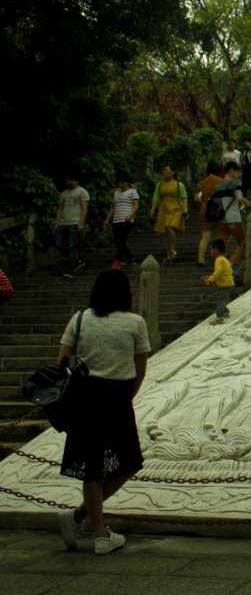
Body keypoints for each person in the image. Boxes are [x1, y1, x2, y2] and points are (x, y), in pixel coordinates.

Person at [55, 269, 150, 555]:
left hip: (85, 397)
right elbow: (141, 367)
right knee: (129, 462)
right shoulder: (135, 323)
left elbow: (62, 361)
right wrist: (127, 395)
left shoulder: (81, 318)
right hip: (117, 397)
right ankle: (100, 534)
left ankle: (80, 517)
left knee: (92, 469)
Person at [214, 162, 251, 267]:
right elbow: (239, 198)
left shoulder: (218, 184)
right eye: (237, 171)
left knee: (220, 248)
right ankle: (230, 265)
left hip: (220, 219)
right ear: (232, 170)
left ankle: (220, 268)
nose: (238, 174)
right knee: (246, 243)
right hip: (233, 218)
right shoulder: (235, 183)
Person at [54, 172, 90, 279]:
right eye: (67, 180)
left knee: (72, 246)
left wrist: (81, 223)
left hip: (75, 223)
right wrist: (56, 224)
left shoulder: (82, 192)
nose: (68, 182)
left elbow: (84, 208)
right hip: (63, 223)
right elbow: (60, 209)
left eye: (71, 180)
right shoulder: (63, 194)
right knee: (59, 244)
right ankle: (76, 260)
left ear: (76, 181)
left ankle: (70, 270)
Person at [148, 166, 187, 262]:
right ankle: (169, 255)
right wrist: (153, 209)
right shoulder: (160, 185)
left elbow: (184, 197)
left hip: (176, 209)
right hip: (163, 209)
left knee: (170, 227)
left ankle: (173, 249)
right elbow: (156, 198)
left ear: (173, 172)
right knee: (164, 232)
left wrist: (185, 209)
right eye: (163, 170)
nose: (164, 172)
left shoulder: (179, 185)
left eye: (166, 170)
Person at [103, 174, 139, 270]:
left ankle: (118, 260)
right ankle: (129, 258)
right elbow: (113, 207)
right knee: (118, 241)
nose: (120, 184)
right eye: (119, 182)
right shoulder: (116, 193)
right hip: (116, 220)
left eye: (123, 182)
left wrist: (130, 215)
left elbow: (136, 205)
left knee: (121, 240)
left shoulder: (132, 192)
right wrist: (107, 219)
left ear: (127, 182)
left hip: (127, 220)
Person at [193, 160, 223, 268]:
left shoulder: (202, 183)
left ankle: (201, 260)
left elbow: (196, 199)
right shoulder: (221, 181)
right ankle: (219, 258)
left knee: (205, 237)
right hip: (218, 210)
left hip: (205, 210)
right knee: (221, 234)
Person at [202, 239, 234, 324]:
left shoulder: (218, 259)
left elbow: (218, 271)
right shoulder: (224, 259)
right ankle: (225, 311)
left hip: (224, 283)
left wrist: (211, 279)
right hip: (227, 282)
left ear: (215, 250)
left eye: (211, 249)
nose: (210, 252)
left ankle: (219, 316)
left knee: (221, 299)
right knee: (222, 298)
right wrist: (210, 277)